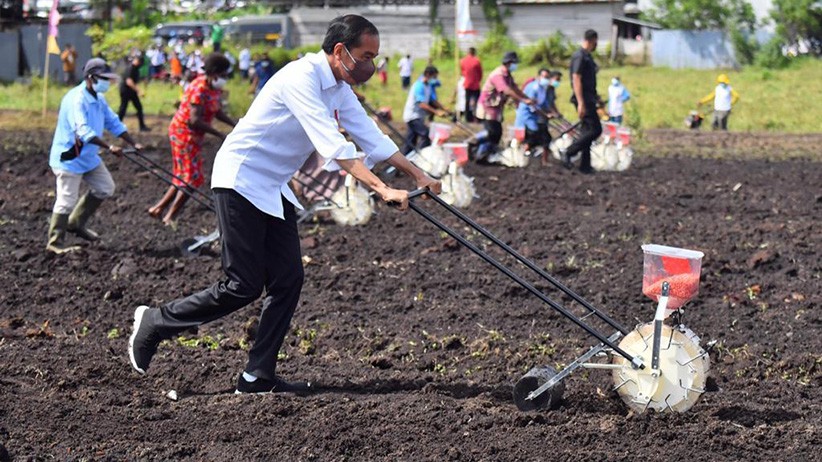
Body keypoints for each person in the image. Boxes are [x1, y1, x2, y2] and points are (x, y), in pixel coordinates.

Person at [129, 15, 441, 394]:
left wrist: (418, 175)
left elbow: (371, 137)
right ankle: (157, 321)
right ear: (340, 51)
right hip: (240, 178)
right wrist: (380, 187)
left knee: (288, 279)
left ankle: (257, 375)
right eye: (366, 55)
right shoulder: (301, 78)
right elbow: (335, 148)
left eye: (375, 56)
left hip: (273, 185)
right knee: (242, 284)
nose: (371, 64)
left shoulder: (338, 86)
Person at [46, 58, 142, 254]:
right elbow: (83, 131)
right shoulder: (76, 99)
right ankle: (55, 242)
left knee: (105, 188)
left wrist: (133, 142)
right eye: (103, 78)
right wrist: (109, 147)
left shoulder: (98, 98)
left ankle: (75, 223)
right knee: (66, 199)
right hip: (70, 158)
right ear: (91, 78)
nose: (107, 82)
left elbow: (113, 122)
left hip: (88, 157)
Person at [148, 53, 237, 226]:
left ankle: (158, 209)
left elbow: (216, 111)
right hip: (183, 133)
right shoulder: (199, 88)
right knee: (193, 178)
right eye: (225, 75)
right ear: (215, 73)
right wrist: (219, 135)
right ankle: (171, 215)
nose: (226, 79)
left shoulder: (213, 88)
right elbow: (194, 120)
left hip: (192, 135)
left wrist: (235, 124)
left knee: (182, 175)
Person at [475, 51, 533, 163]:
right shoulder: (498, 75)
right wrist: (522, 100)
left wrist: (527, 99)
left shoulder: (508, 75)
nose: (515, 66)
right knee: (492, 132)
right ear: (508, 63)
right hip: (487, 106)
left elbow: (515, 88)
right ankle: (475, 143)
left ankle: (487, 154)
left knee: (497, 132)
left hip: (496, 108)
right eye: (514, 63)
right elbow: (506, 90)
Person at [561, 29, 603, 174]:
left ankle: (585, 165)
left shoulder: (587, 57)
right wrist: (581, 102)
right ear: (592, 40)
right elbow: (576, 78)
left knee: (586, 131)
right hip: (584, 99)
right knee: (595, 130)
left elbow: (589, 81)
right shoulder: (579, 56)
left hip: (589, 97)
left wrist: (597, 97)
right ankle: (569, 152)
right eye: (596, 42)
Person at [515, 69, 562, 166]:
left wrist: (553, 113)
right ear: (539, 77)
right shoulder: (534, 87)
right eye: (545, 77)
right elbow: (532, 105)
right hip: (527, 115)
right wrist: (545, 114)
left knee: (545, 138)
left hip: (537, 116)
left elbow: (546, 103)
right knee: (534, 134)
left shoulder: (543, 89)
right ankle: (523, 152)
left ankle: (542, 160)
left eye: (547, 77)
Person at [402, 65, 449, 155]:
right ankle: (421, 156)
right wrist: (436, 112)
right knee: (426, 134)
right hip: (412, 116)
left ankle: (405, 160)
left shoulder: (428, 86)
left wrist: (444, 109)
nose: (435, 79)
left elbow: (433, 100)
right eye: (434, 77)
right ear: (427, 74)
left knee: (410, 141)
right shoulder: (419, 85)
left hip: (418, 116)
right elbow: (422, 104)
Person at [118, 53, 151, 132]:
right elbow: (129, 81)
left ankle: (142, 126)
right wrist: (139, 90)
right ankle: (117, 126)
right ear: (137, 61)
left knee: (139, 108)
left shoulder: (136, 69)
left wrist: (144, 79)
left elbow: (135, 78)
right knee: (123, 108)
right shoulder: (130, 68)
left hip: (131, 91)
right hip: (125, 91)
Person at [460, 47, 482, 122]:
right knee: (477, 101)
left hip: (467, 84)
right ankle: (476, 116)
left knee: (467, 101)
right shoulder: (477, 61)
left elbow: (462, 72)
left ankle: (467, 117)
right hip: (475, 84)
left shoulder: (463, 61)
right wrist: (478, 80)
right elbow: (480, 73)